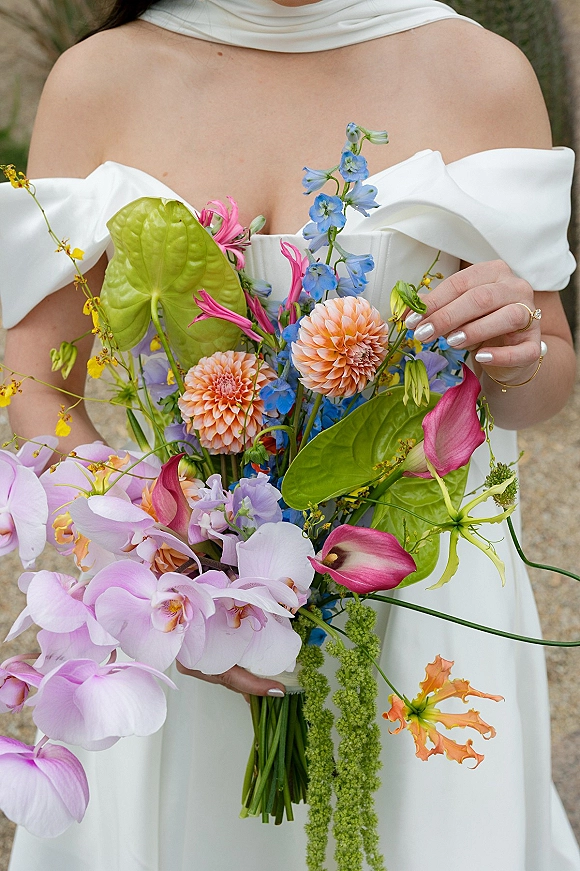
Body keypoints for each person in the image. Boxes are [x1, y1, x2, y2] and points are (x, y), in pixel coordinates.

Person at [1, 0, 578, 868]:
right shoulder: (98, 81)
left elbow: (545, 381)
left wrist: (518, 349)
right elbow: (39, 377)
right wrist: (161, 557)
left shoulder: (483, 73)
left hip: (427, 610)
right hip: (194, 609)